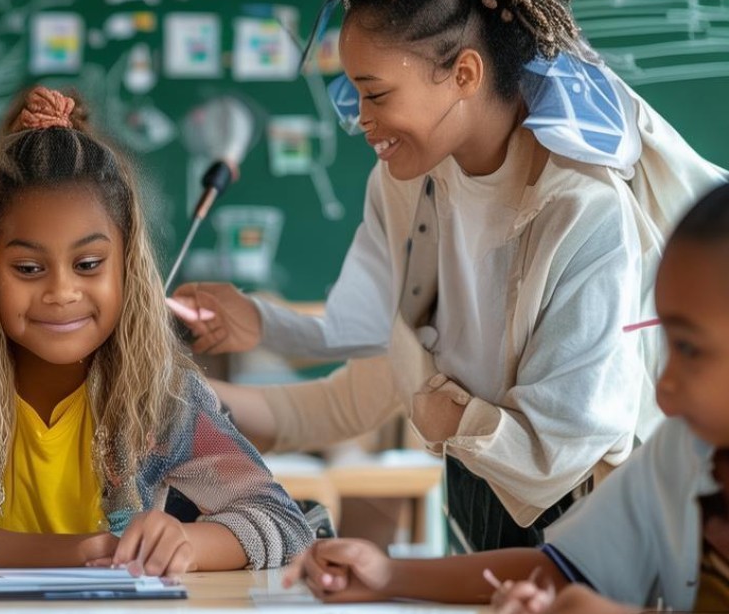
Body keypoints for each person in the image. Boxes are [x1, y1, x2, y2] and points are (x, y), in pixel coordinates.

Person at [174, 0, 725, 551]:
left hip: (602, 546)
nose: (361, 121)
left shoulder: (580, 211)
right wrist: (186, 401)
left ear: (464, 73)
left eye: (376, 95)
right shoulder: (407, 184)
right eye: (352, 94)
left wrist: (439, 402)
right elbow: (357, 394)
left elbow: (558, 454)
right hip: (483, 529)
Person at [0, 86, 314, 574]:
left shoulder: (162, 394)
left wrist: (186, 542)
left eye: (89, 264)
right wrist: (73, 552)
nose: (61, 292)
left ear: (127, 267)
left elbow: (283, 522)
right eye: (28, 268)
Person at [281, 182, 729, 614]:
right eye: (667, 345)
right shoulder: (685, 451)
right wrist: (389, 576)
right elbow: (565, 570)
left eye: (690, 349)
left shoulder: (583, 205)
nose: (664, 391)